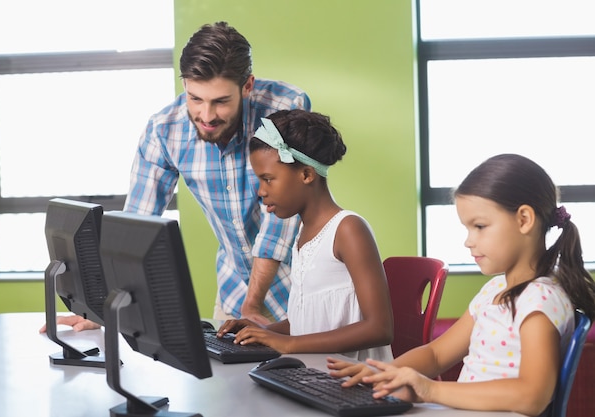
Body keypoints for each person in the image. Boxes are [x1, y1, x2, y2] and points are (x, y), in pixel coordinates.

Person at [39, 21, 311, 334]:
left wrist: (253, 304)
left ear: (247, 86)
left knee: (309, 379)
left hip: (304, 288)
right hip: (235, 292)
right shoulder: (164, 131)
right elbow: (136, 225)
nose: (207, 116)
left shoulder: (284, 108)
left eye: (221, 101)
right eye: (195, 98)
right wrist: (103, 307)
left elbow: (280, 222)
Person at [328, 153, 595, 416]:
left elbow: (532, 396)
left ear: (524, 219)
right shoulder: (494, 291)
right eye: (467, 228)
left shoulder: (538, 301)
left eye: (479, 226)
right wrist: (385, 373)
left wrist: (429, 390)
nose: (468, 240)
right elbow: (436, 354)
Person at [216, 109, 394, 361]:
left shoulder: (348, 229)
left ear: (307, 174)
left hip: (357, 381)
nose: (260, 191)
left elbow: (380, 329)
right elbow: (309, 322)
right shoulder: (303, 233)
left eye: (268, 179)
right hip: (317, 374)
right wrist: (263, 330)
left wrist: (287, 345)